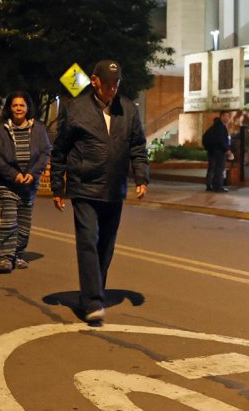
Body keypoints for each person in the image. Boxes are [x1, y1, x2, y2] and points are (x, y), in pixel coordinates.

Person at [51, 59, 148, 324]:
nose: (112, 89)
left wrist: (141, 176)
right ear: (94, 81)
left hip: (114, 189)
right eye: (107, 84)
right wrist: (58, 185)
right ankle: (94, 301)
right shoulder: (76, 109)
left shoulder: (128, 109)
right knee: (88, 241)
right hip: (84, 187)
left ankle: (93, 292)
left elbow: (137, 146)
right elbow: (59, 151)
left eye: (116, 84)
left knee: (105, 247)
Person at [0, 91, 51, 273]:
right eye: (15, 105)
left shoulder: (38, 129)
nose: (18, 108)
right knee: (9, 220)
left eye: (21, 105)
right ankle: (5, 258)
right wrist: (12, 174)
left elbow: (45, 152)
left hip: (30, 184)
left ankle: (17, 254)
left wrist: (33, 173)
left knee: (24, 222)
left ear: (27, 108)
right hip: (8, 183)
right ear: (10, 108)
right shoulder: (2, 129)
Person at [202, 111, 232, 192]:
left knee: (212, 168)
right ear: (221, 116)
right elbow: (221, 140)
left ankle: (209, 185)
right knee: (219, 169)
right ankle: (218, 186)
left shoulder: (214, 127)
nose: (227, 118)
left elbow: (205, 137)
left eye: (228, 116)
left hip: (212, 151)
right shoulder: (220, 127)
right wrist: (227, 150)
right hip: (219, 152)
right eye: (226, 116)